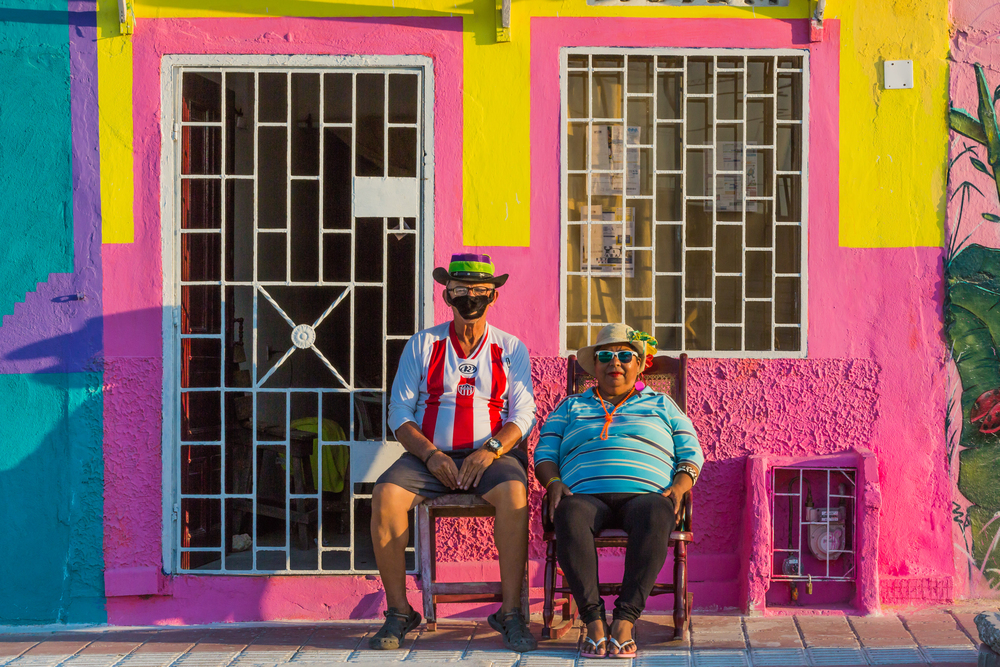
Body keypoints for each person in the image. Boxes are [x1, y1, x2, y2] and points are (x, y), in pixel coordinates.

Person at [369, 253, 538, 652]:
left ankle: (511, 612)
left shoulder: (511, 348)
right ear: (447, 294)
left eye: (480, 290)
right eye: (461, 290)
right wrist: (430, 455)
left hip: (491, 459)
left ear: (493, 295)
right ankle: (399, 612)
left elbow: (524, 411)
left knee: (515, 496)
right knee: (385, 495)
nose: (471, 298)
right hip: (429, 458)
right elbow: (399, 411)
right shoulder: (423, 344)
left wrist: (492, 450)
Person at [534, 323, 704, 659]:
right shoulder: (570, 407)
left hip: (646, 496)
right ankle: (594, 621)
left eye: (625, 355)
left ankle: (625, 620)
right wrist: (553, 483)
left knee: (658, 512)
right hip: (584, 496)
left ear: (640, 364)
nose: (616, 362)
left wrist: (680, 488)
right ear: (594, 366)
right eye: (606, 356)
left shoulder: (663, 404)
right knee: (567, 512)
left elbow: (691, 452)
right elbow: (545, 453)